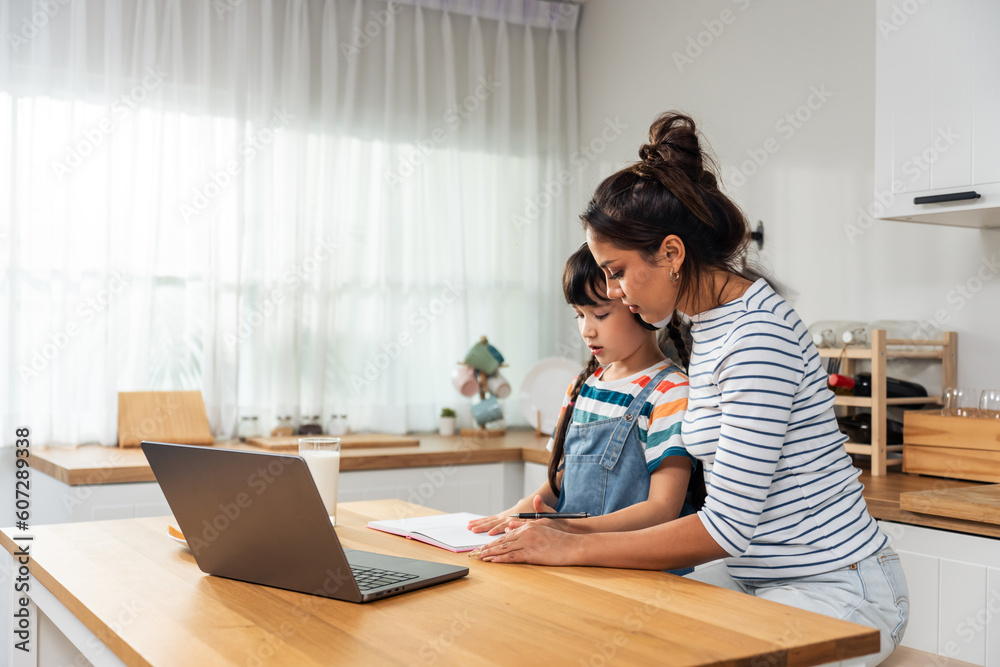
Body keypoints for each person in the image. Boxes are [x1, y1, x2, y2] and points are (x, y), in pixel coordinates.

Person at [474, 112, 908, 666]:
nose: (612, 290)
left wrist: (574, 543)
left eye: (617, 271)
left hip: (841, 592)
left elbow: (725, 526)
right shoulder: (710, 324)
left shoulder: (757, 335)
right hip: (761, 582)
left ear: (672, 254)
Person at [469, 244, 700, 574]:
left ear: (639, 305)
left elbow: (663, 509)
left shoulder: (671, 391)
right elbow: (567, 476)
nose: (586, 330)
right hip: (574, 565)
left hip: (643, 573)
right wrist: (526, 508)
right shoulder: (583, 385)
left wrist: (567, 531)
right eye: (579, 314)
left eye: (601, 314)